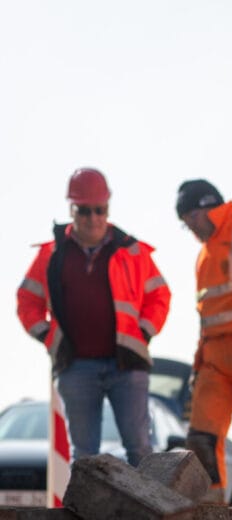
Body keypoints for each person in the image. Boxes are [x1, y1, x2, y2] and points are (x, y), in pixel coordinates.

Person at [17, 167, 170, 467]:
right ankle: (84, 516)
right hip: (76, 367)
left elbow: (160, 296)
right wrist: (49, 338)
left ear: (107, 209)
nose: (93, 218)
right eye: (85, 211)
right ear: (72, 210)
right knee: (85, 456)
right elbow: (27, 300)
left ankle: (148, 515)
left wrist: (143, 333)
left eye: (100, 210)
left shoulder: (132, 251)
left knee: (140, 450)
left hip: (127, 365)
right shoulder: (51, 255)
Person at [176, 179, 232, 501]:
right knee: (201, 437)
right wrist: (199, 362)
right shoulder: (203, 258)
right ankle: (210, 516)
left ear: (204, 209)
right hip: (216, 361)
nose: (191, 229)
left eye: (190, 221)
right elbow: (207, 318)